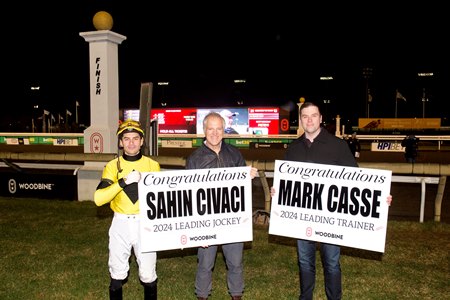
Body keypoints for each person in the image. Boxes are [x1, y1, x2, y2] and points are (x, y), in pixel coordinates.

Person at [271, 102, 392, 300]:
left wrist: (379, 197)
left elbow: (358, 180)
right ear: (301, 120)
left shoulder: (338, 146)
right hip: (302, 217)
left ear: (320, 118)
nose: (309, 120)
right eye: (305, 116)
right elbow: (286, 182)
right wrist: (278, 191)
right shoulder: (293, 148)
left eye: (313, 116)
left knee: (332, 262)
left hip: (331, 218)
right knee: (304, 260)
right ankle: (306, 296)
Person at [186, 112, 257, 300]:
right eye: (211, 129)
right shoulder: (194, 159)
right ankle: (202, 295)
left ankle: (236, 295)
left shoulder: (235, 154)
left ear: (224, 131)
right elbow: (188, 195)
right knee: (205, 263)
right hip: (206, 221)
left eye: (219, 129)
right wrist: (196, 228)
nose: (215, 133)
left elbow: (243, 190)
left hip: (231, 220)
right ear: (204, 131)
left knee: (235, 262)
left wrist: (248, 177)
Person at [94, 119, 160, 300]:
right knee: (117, 274)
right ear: (120, 142)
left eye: (135, 138)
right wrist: (123, 182)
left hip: (145, 223)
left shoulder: (152, 165)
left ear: (142, 141)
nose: (131, 142)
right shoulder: (111, 166)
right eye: (127, 139)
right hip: (121, 223)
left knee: (148, 274)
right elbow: (99, 199)